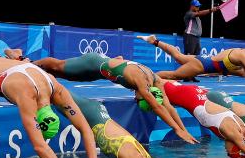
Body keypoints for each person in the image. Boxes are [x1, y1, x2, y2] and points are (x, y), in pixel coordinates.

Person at [31, 51, 197, 143]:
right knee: (57, 66)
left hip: (99, 72)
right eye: (138, 100)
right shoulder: (141, 83)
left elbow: (167, 106)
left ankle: (27, 67)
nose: (135, 99)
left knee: (61, 75)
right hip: (93, 63)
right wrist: (175, 129)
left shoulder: (156, 81)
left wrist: (182, 130)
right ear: (146, 95)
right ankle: (27, 64)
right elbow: (157, 107)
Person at [143, 36, 245, 103]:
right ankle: (145, 80)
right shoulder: (242, 58)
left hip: (205, 62)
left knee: (179, 56)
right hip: (202, 66)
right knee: (174, 74)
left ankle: (154, 41)